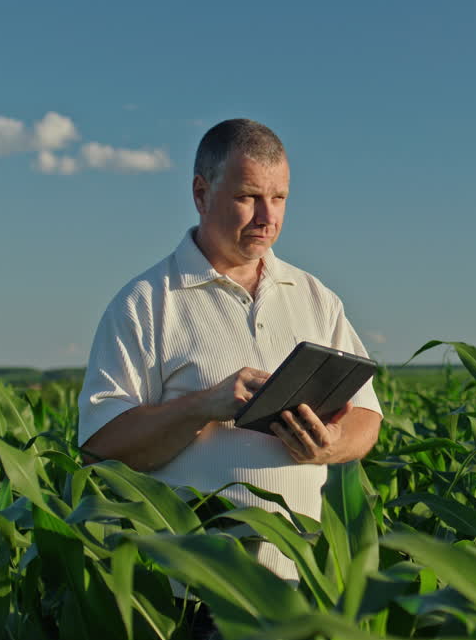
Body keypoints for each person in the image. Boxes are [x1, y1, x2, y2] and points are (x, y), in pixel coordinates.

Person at [77, 119, 383, 581]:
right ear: (201, 193)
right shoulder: (147, 302)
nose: (267, 216)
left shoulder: (314, 297)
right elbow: (100, 447)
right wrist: (205, 405)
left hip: (306, 588)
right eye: (247, 197)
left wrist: (331, 444)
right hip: (195, 597)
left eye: (278, 198)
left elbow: (367, 418)